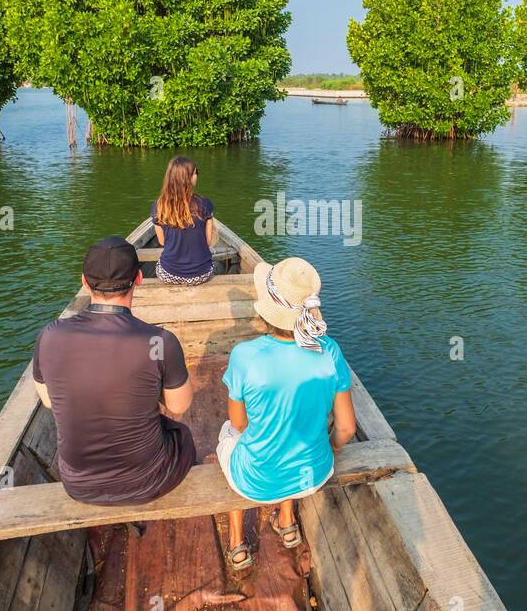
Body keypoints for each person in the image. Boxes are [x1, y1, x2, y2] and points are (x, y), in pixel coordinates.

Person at [31, 236, 197, 504]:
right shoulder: (159, 341)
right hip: (148, 480)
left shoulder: (49, 336)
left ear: (84, 281)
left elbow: (50, 401)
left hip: (77, 485)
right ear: (139, 279)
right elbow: (179, 406)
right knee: (183, 436)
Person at [216, 257, 357, 570]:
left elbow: (239, 425)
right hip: (315, 473)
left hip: (255, 482)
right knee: (298, 428)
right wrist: (329, 447)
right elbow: (346, 428)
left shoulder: (245, 356)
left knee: (227, 432)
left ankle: (238, 543)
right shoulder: (330, 350)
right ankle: (287, 519)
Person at [150, 156, 215, 285]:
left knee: (159, 265)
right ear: (188, 178)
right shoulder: (205, 204)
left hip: (170, 274)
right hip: (202, 274)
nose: (197, 175)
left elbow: (162, 241)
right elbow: (208, 241)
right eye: (195, 172)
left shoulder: (158, 206)